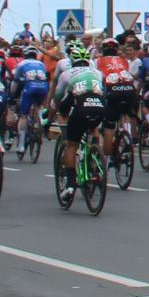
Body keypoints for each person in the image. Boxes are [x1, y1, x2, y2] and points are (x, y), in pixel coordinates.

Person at [51, 48, 108, 198]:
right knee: (94, 125)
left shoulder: (66, 74)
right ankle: (96, 152)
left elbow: (58, 98)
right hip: (100, 106)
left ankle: (70, 185)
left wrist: (54, 114)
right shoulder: (97, 73)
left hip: (81, 107)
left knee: (71, 145)